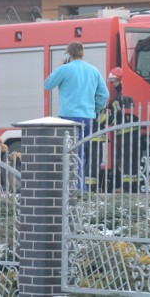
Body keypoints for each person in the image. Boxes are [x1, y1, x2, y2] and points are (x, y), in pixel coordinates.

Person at [44, 42, 109, 190]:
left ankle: (77, 188)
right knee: (82, 152)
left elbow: (47, 84)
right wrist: (95, 109)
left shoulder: (65, 69)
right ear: (82, 53)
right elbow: (104, 94)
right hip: (88, 117)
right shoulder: (94, 71)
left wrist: (60, 66)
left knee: (73, 153)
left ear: (68, 54)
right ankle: (79, 186)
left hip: (69, 118)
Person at [107, 67, 139, 192]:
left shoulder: (125, 90)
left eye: (114, 80)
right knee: (128, 158)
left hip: (129, 131)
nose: (113, 83)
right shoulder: (120, 90)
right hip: (126, 131)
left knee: (128, 158)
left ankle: (129, 186)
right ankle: (130, 185)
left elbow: (124, 107)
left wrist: (114, 105)